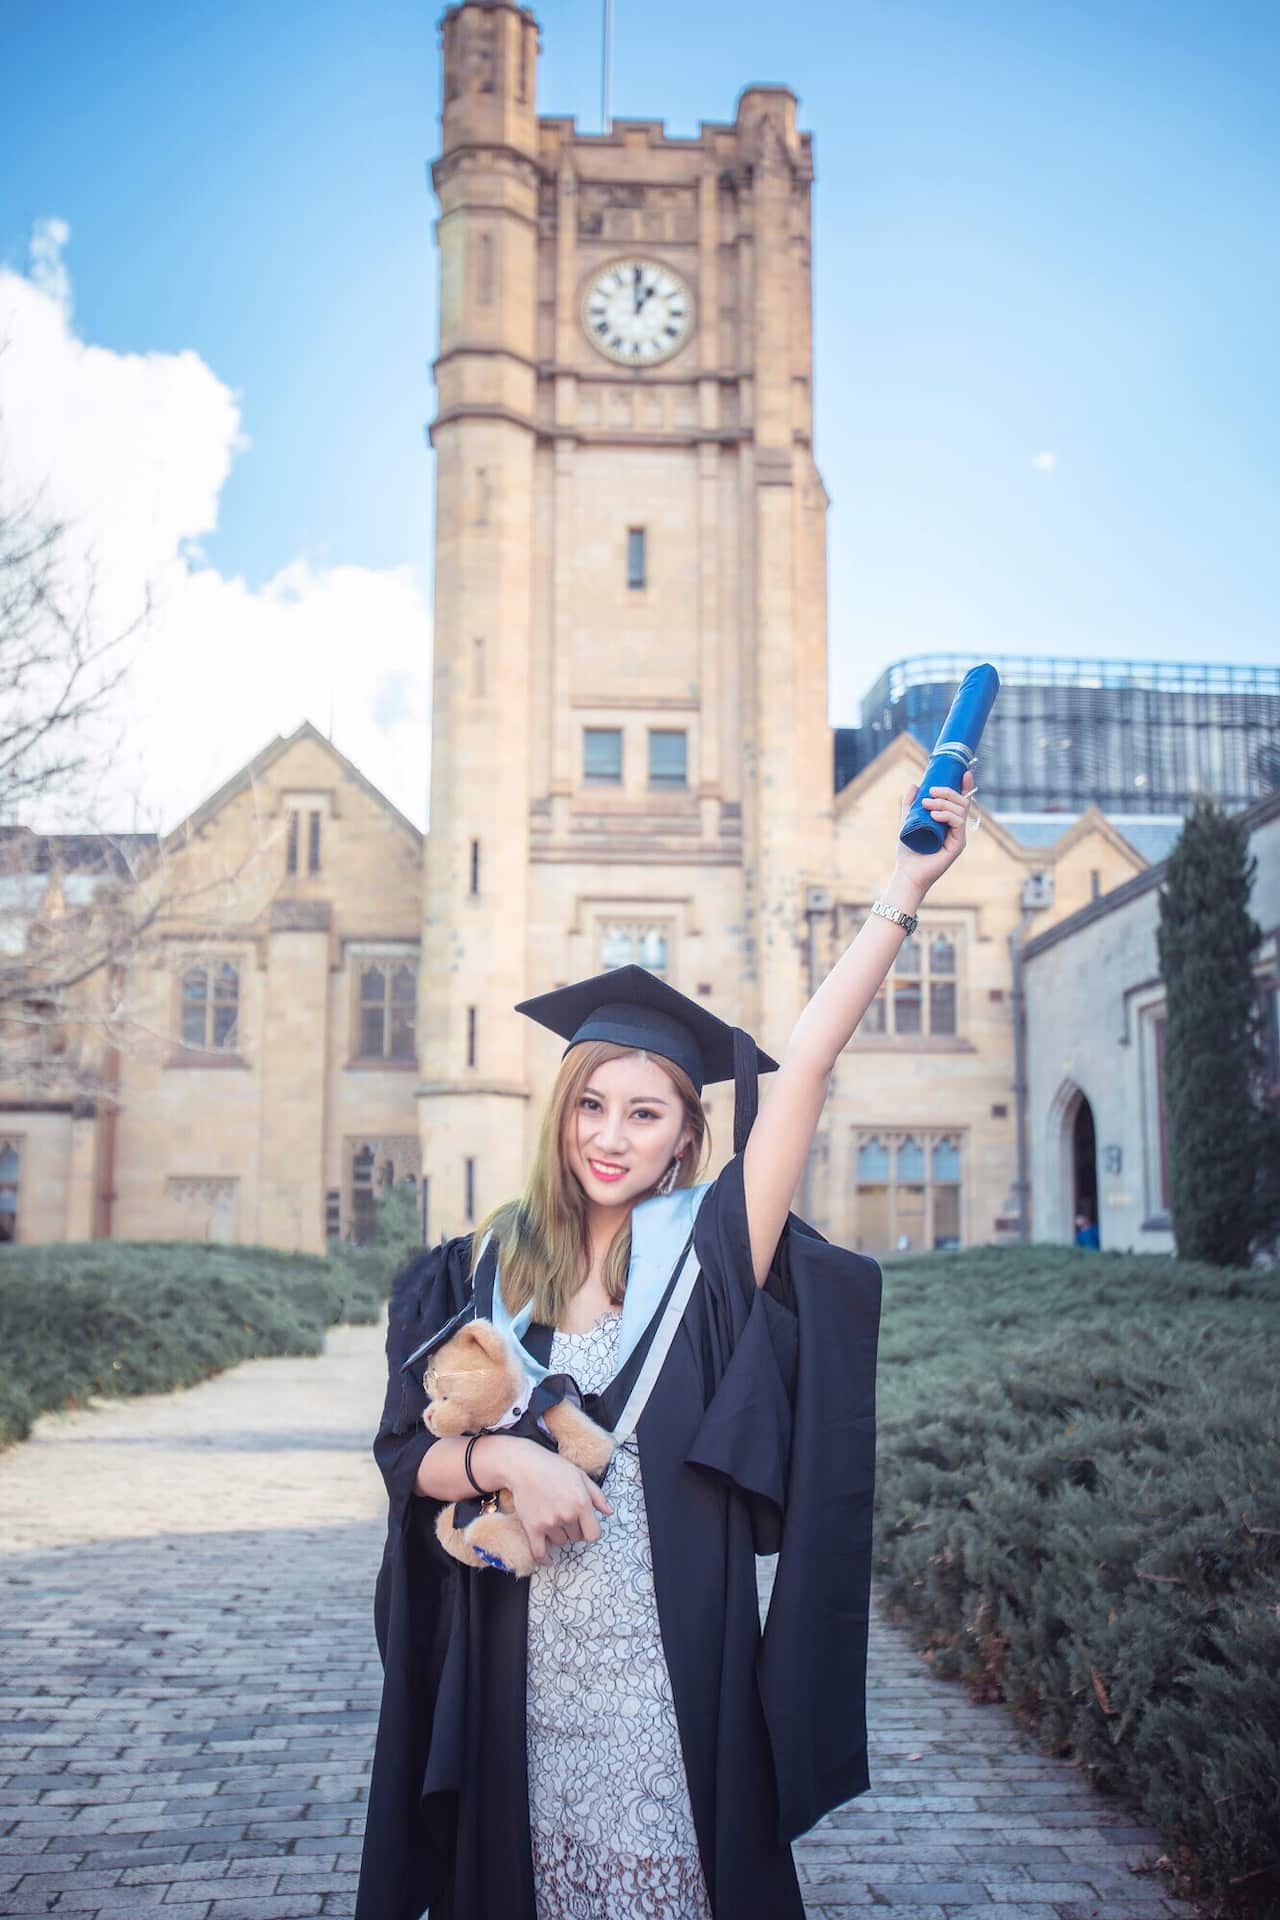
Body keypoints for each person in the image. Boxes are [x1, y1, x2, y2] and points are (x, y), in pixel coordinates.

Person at [355, 772, 974, 1920]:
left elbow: (806, 1067)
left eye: (644, 1114)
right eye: (591, 1106)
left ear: (688, 1133)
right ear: (560, 1112)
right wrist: (507, 1459)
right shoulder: (479, 1270)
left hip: (669, 1690)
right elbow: (407, 1461)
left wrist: (901, 885)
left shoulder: (712, 1255)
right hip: (515, 1680)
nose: (609, 1137)